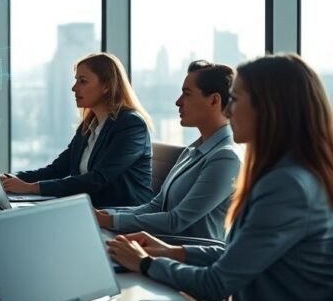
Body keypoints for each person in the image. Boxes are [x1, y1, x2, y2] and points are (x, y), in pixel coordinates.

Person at [108, 54, 333, 301]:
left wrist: (145, 263)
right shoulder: (286, 172)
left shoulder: (288, 184)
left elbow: (216, 284)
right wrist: (173, 252)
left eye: (236, 100)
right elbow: (239, 253)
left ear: (269, 108)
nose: (227, 111)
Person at [0, 52, 153, 207]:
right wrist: (5, 179)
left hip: (121, 216)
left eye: (83, 81)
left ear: (106, 86)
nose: (74, 88)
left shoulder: (131, 126)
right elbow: (56, 169)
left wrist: (30, 188)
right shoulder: (89, 126)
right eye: (76, 80)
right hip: (89, 209)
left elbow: (97, 179)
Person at [96, 61, 240, 240]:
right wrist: (105, 215)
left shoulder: (226, 158)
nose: (178, 102)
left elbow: (176, 221)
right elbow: (154, 207)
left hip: (186, 259)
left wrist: (111, 221)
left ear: (214, 100)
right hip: (159, 245)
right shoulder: (191, 151)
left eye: (187, 94)